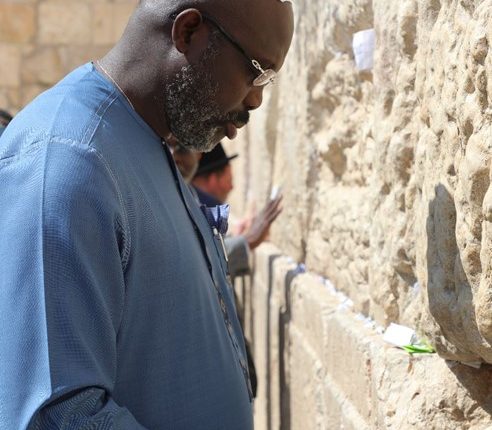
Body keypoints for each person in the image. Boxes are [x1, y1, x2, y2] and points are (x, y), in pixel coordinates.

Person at [0, 1, 294, 429]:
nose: (256, 99)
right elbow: (57, 413)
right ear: (188, 32)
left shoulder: (146, 142)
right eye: (256, 72)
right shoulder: (67, 159)